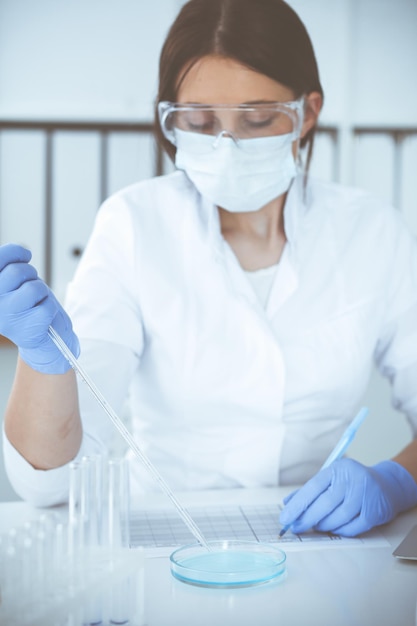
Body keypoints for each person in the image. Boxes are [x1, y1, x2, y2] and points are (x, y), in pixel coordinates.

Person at [1, 0, 417, 537]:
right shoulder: (134, 224)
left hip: (320, 533)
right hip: (165, 533)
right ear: (170, 118)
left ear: (307, 112)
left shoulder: (373, 232)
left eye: (259, 118)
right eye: (198, 122)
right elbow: (47, 485)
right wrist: (42, 364)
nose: (227, 147)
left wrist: (397, 481)